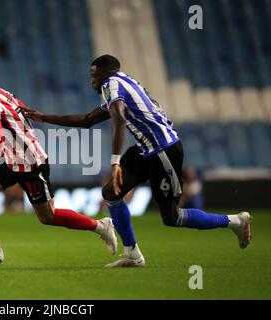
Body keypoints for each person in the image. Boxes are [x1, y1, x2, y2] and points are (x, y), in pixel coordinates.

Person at [25, 54, 252, 268]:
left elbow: (119, 117)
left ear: (106, 72)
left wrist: (115, 162)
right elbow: (87, 120)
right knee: (111, 194)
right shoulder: (121, 85)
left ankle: (234, 221)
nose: (92, 80)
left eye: (94, 75)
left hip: (163, 150)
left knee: (172, 217)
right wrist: (44, 117)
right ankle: (132, 253)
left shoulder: (112, 84)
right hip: (146, 149)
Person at [0, 66, 118, 266]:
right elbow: (19, 114)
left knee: (48, 216)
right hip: (10, 159)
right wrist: (4, 136)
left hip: (30, 163)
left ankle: (101, 226)